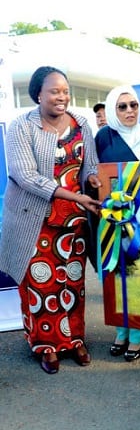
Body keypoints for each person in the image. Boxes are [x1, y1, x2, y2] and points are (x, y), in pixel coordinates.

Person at [0, 66, 102, 374]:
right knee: (41, 284)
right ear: (38, 95)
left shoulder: (82, 123)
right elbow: (24, 175)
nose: (62, 97)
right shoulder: (22, 127)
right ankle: (46, 346)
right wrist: (73, 196)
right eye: (54, 91)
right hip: (35, 220)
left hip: (74, 222)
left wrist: (95, 180)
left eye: (65, 91)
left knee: (73, 280)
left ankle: (74, 341)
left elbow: (90, 164)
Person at [94, 85, 140, 361]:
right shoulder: (103, 137)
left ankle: (138, 336)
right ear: (112, 109)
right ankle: (121, 331)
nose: (130, 111)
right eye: (122, 106)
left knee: (137, 275)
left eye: (134, 105)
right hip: (111, 220)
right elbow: (93, 174)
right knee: (115, 273)